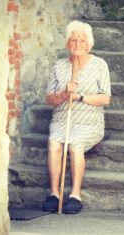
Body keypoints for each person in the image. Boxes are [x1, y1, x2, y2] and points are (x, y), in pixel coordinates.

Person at [42, 20, 111, 214]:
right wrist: (64, 93)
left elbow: (105, 98)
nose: (77, 44)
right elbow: (49, 99)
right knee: (55, 144)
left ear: (89, 44)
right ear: (67, 44)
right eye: (73, 40)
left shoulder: (99, 65)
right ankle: (54, 194)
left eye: (81, 40)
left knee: (74, 144)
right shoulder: (59, 66)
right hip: (62, 120)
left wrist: (80, 96)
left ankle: (75, 196)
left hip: (89, 122)